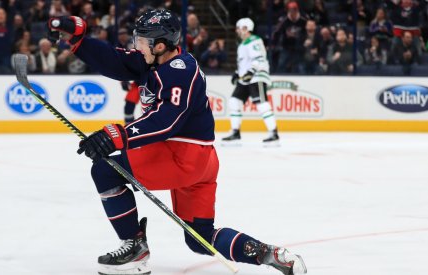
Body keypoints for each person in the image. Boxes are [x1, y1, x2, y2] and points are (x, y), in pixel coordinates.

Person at [47, 10, 307, 275]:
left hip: (181, 156)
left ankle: (135, 250)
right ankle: (269, 254)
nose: (136, 45)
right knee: (199, 237)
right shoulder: (154, 60)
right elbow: (114, 61)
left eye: (142, 40)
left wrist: (116, 136)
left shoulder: (180, 71)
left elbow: (165, 121)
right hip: (201, 160)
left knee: (104, 171)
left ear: (160, 45)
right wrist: (78, 39)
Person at [223, 17, 279, 143]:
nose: (237, 30)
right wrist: (238, 73)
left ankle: (273, 132)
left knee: (261, 103)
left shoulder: (254, 40)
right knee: (234, 101)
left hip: (257, 76)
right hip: (247, 78)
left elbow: (259, 58)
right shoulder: (243, 44)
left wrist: (251, 71)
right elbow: (245, 63)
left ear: (245, 28)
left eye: (239, 28)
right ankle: (235, 132)